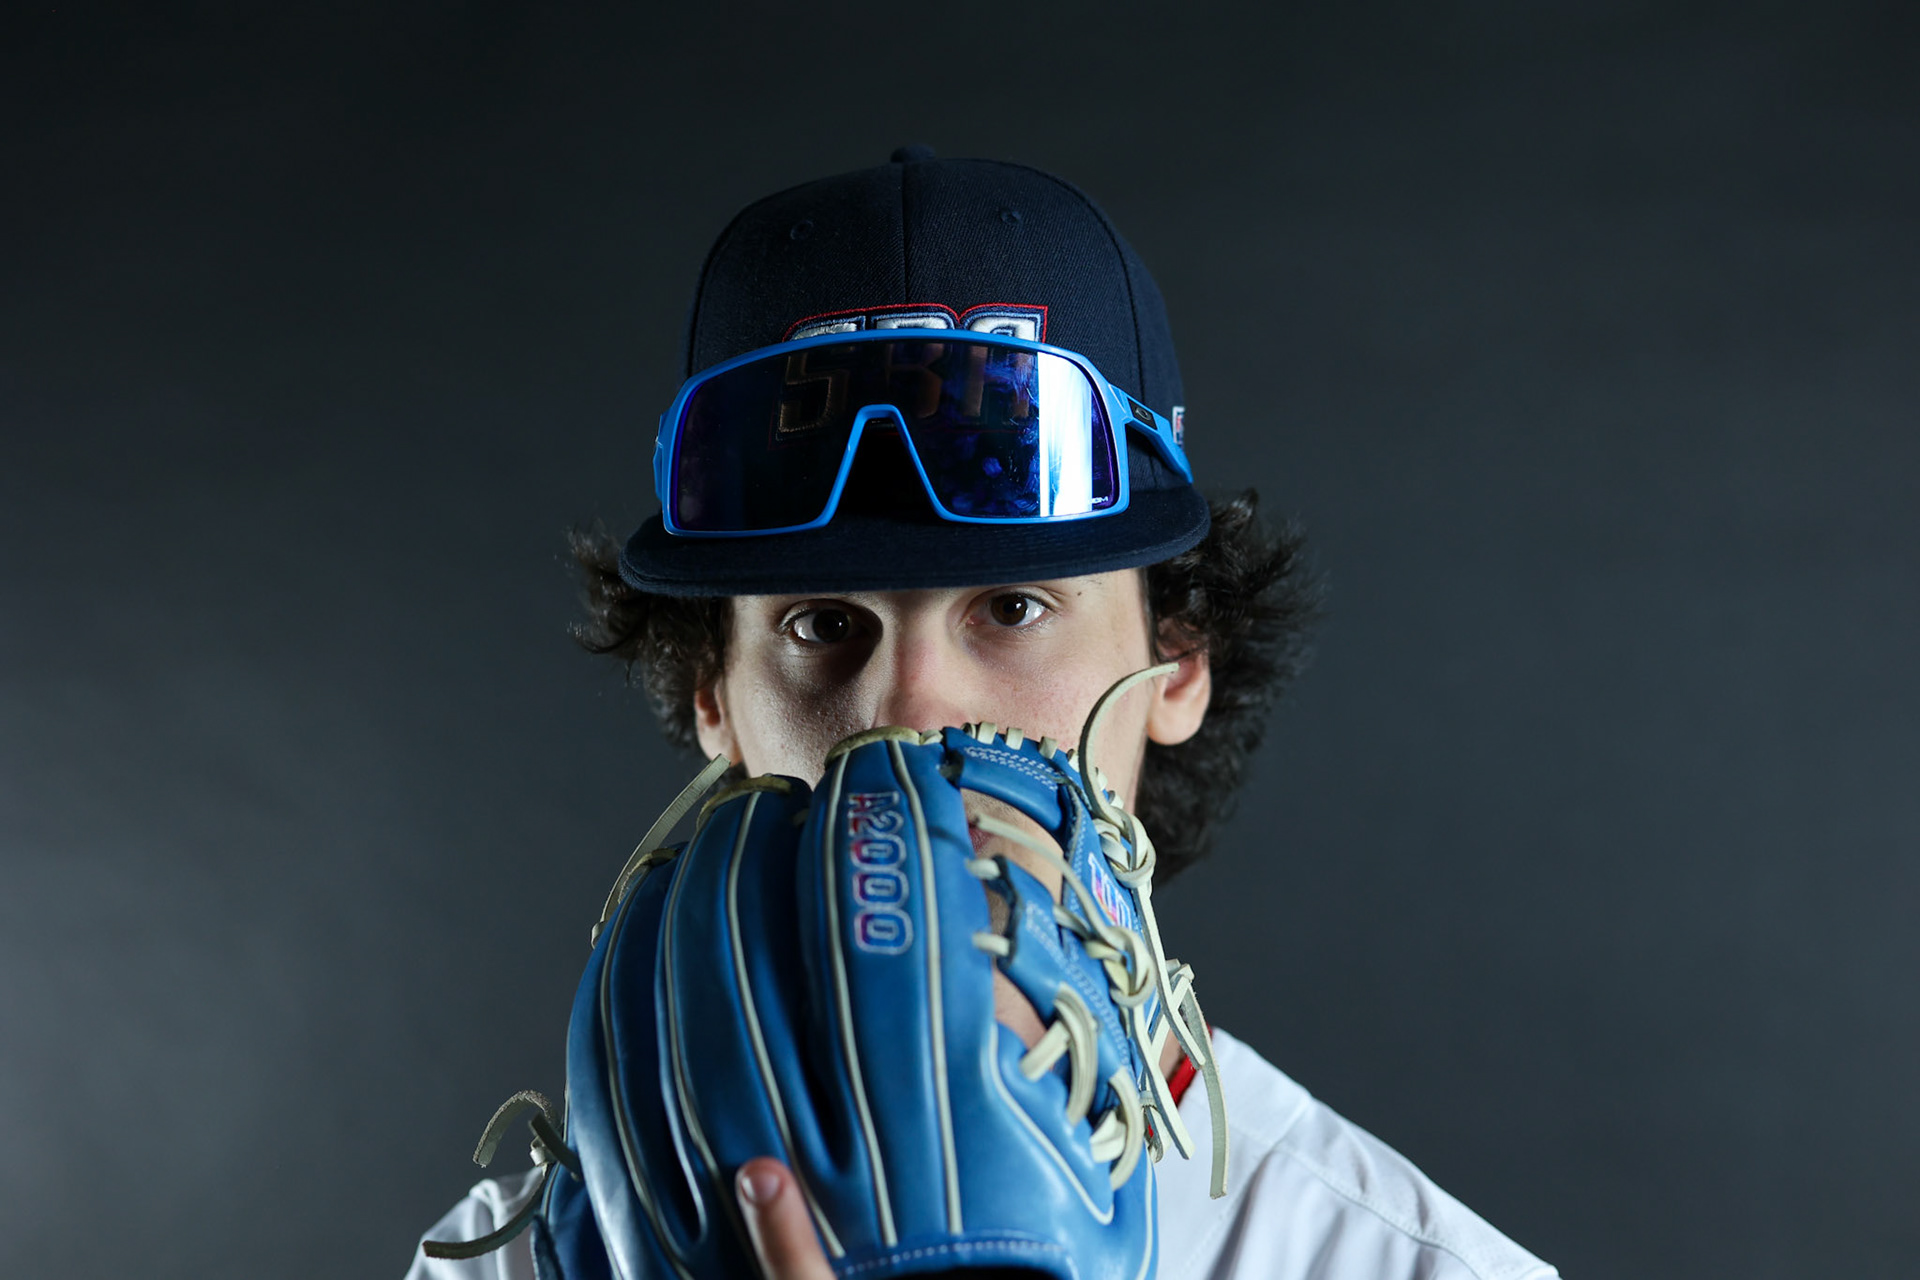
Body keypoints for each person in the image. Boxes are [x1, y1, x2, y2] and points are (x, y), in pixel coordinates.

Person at [406, 147, 1559, 1280]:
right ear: (713, 693)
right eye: (820, 623)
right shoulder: (521, 1262)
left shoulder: (1391, 1261)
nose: (908, 708)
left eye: (1011, 606)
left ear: (1177, 664)